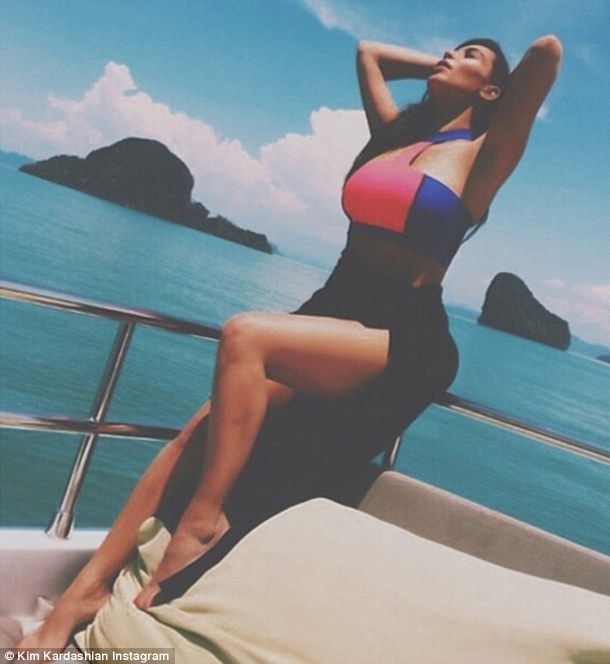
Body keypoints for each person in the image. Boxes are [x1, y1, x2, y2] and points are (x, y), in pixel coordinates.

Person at [18, 33, 562, 649]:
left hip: (404, 333)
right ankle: (82, 594)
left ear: (493, 91)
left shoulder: (484, 155)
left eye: (469, 56)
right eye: (450, 49)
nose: (448, 55)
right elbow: (369, 53)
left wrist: (493, 89)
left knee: (245, 335)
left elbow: (545, 54)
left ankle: (202, 519)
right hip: (333, 308)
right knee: (197, 432)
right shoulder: (394, 136)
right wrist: (445, 70)